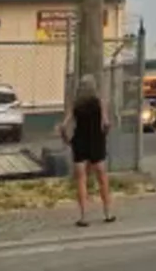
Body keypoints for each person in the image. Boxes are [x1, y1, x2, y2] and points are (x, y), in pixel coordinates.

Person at [59, 75, 114, 227]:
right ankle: (108, 213)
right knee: (102, 178)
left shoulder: (75, 105)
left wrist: (67, 140)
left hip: (80, 142)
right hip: (96, 141)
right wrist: (104, 134)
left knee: (82, 180)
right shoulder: (100, 103)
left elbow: (64, 126)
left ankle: (84, 217)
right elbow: (106, 123)